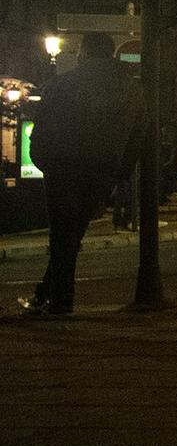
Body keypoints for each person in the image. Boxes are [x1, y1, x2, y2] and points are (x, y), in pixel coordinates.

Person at [21, 34, 141, 317]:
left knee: (62, 234)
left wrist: (43, 160)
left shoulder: (62, 84)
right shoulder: (131, 89)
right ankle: (46, 294)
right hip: (102, 169)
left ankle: (60, 300)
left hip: (62, 165)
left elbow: (42, 126)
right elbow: (137, 135)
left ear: (84, 53)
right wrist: (121, 173)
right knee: (73, 234)